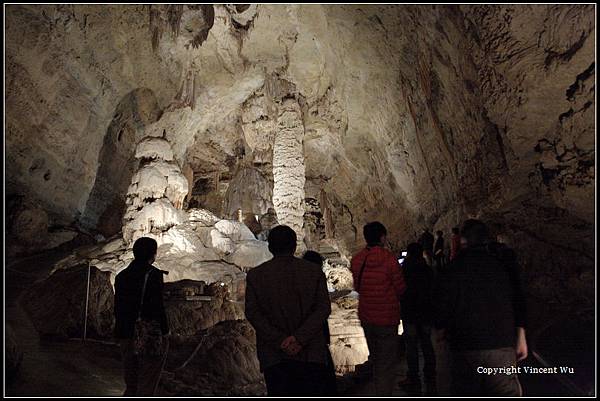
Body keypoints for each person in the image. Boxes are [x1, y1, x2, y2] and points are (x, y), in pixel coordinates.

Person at [435, 219, 528, 396]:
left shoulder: (452, 269)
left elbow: (442, 307)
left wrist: (442, 330)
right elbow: (518, 298)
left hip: (466, 346)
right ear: (487, 239)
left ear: (462, 241)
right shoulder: (502, 265)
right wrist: (521, 333)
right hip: (501, 343)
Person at [245, 226, 331, 396]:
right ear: (294, 246)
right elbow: (323, 308)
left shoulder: (256, 276)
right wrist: (299, 338)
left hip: (275, 356)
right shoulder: (314, 272)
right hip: (310, 353)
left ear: (270, 247)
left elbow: (253, 313)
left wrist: (280, 340)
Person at [351, 222, 406, 396]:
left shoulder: (357, 259)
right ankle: (384, 393)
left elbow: (358, 287)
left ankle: (378, 390)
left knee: (375, 359)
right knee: (387, 362)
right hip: (387, 318)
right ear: (382, 237)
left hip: (367, 316)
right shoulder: (388, 258)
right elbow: (400, 288)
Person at [114, 237, 170, 396]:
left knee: (131, 380)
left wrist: (119, 332)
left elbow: (118, 307)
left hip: (125, 332)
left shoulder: (121, 276)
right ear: (153, 254)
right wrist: (165, 332)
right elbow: (157, 306)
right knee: (148, 377)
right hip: (147, 334)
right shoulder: (153, 274)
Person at [399, 243, 437, 395]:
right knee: (427, 343)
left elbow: (400, 290)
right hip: (425, 313)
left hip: (410, 313)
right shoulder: (428, 270)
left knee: (412, 347)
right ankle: (430, 372)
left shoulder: (404, 270)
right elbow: (434, 290)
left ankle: (413, 376)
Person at [302, 250, 338, 396]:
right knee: (323, 375)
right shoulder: (316, 278)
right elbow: (323, 308)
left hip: (299, 337)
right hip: (315, 335)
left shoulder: (295, 278)